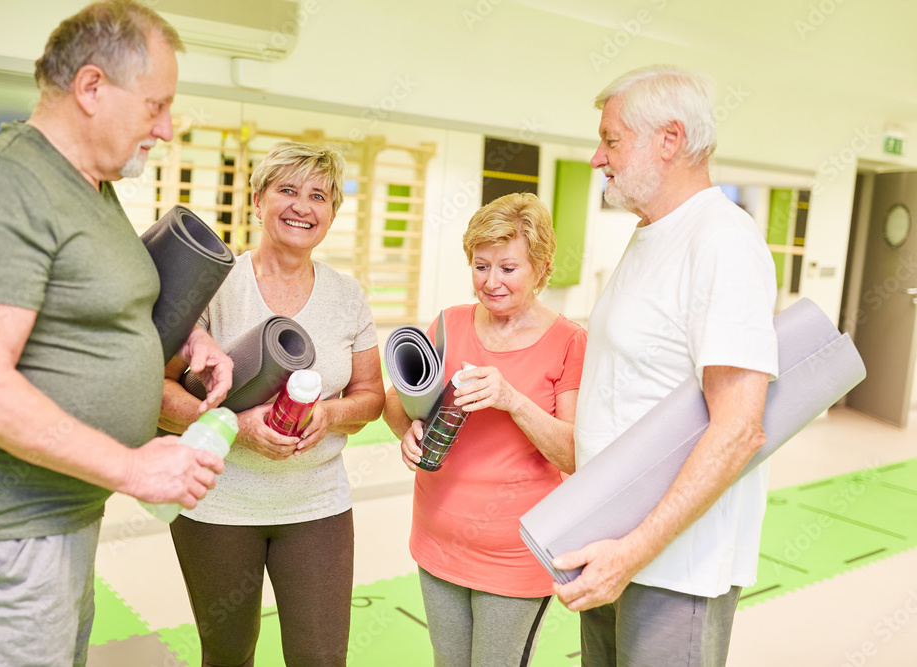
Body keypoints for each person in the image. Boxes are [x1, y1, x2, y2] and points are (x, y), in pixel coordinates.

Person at [0, 3, 234, 666]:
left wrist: (185, 346)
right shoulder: (2, 186)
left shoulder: (91, 187)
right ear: (92, 87)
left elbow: (102, 309)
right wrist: (134, 466)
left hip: (61, 515)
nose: (168, 129)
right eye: (157, 106)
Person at [552, 65, 779, 666]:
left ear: (669, 139)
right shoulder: (651, 233)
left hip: (671, 565)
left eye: (612, 139)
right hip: (611, 547)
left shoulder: (721, 240)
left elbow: (739, 429)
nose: (599, 157)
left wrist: (632, 552)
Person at [159, 140, 386, 667]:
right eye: (286, 190)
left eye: (319, 196)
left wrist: (330, 414)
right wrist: (236, 425)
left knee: (321, 658)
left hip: (316, 506)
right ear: (258, 201)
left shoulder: (347, 295)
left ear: (332, 213)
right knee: (228, 654)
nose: (302, 207)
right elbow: (159, 397)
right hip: (216, 503)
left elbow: (371, 397)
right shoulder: (214, 286)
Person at [383, 192, 587, 666]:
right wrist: (405, 431)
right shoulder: (449, 324)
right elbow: (399, 402)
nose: (491, 282)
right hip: (437, 541)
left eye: (508, 268)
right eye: (481, 266)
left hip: (515, 553)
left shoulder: (569, 341)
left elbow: (573, 454)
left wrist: (512, 399)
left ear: (541, 266)